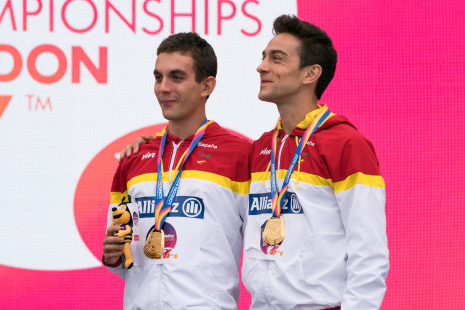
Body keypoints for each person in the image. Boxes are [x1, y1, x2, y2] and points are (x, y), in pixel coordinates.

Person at [124, 15, 389, 310]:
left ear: (311, 73)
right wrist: (155, 147)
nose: (261, 66)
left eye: (277, 59)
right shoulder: (260, 149)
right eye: (263, 57)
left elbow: (369, 252)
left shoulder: (346, 143)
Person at [102, 32, 253, 309]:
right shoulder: (134, 157)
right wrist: (114, 255)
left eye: (177, 77)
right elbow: (125, 256)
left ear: (206, 86)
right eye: (158, 77)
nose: (163, 87)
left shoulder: (241, 154)